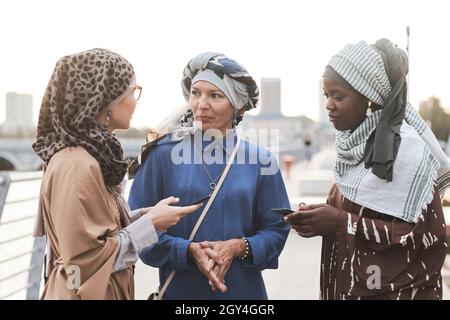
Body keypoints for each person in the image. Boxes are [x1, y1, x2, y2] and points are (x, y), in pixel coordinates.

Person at [286, 39, 450, 300]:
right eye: (326, 95)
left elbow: (421, 235)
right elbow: (362, 208)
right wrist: (319, 215)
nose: (329, 104)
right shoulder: (356, 147)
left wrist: (339, 221)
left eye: (338, 96)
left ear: (370, 99)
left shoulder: (405, 152)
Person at [32, 48, 201, 300]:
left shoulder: (86, 157)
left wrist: (147, 216)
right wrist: (150, 224)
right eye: (132, 92)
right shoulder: (77, 166)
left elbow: (94, 235)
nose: (135, 100)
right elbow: (85, 264)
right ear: (104, 100)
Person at [128, 52, 290, 299]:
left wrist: (239, 247)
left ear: (239, 106)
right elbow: (136, 229)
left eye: (215, 95)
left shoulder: (262, 161)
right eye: (196, 93)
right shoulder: (160, 156)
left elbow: (277, 230)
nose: (201, 104)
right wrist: (186, 251)